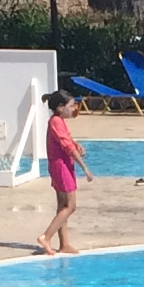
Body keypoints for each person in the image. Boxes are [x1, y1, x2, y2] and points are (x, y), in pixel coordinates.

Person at [36, 90, 89, 257]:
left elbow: (67, 139)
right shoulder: (56, 121)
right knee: (70, 206)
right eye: (71, 106)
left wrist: (76, 144)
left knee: (62, 205)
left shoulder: (59, 121)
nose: (74, 109)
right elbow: (67, 147)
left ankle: (64, 244)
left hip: (61, 166)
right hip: (61, 167)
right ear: (60, 107)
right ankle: (46, 237)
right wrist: (85, 168)